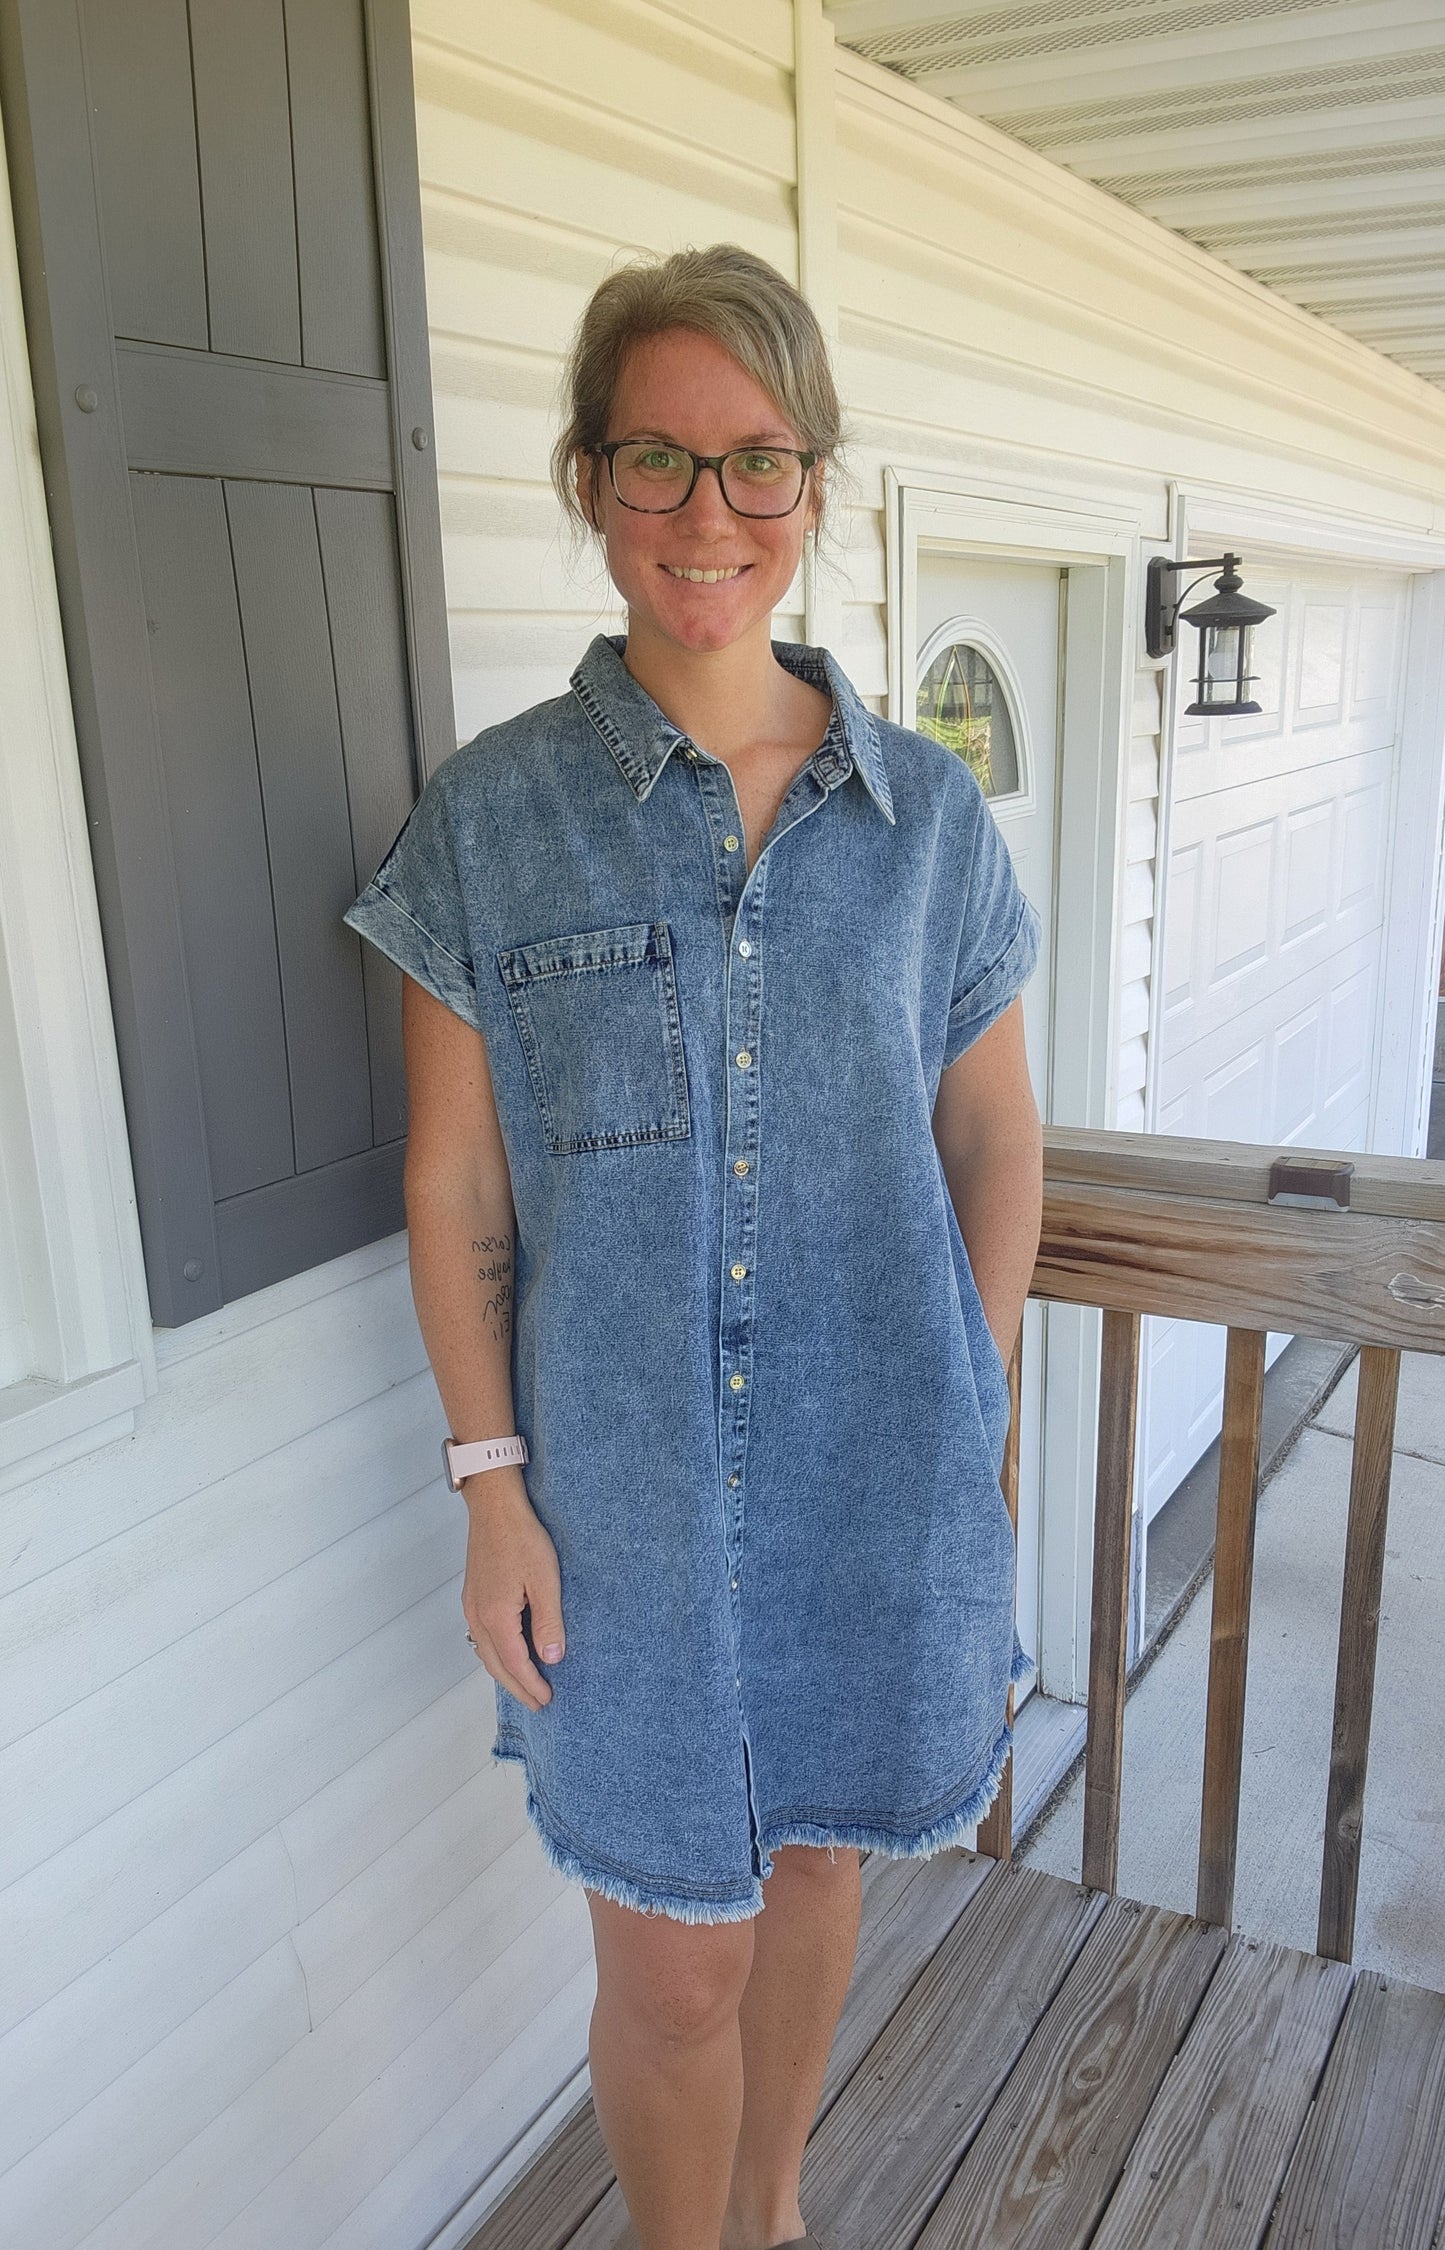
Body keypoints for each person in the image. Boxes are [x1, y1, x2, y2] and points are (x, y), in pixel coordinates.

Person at [342, 242, 1044, 2250]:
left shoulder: (928, 823)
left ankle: (775, 2206)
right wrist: (492, 1486)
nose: (708, 514)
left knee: (817, 1870)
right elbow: (455, 1186)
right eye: (657, 460)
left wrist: (973, 1390)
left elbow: (991, 1128)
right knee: (669, 1966)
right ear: (587, 482)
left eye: (757, 462)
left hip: (873, 1472)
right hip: (621, 1506)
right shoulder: (491, 822)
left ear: (814, 487)